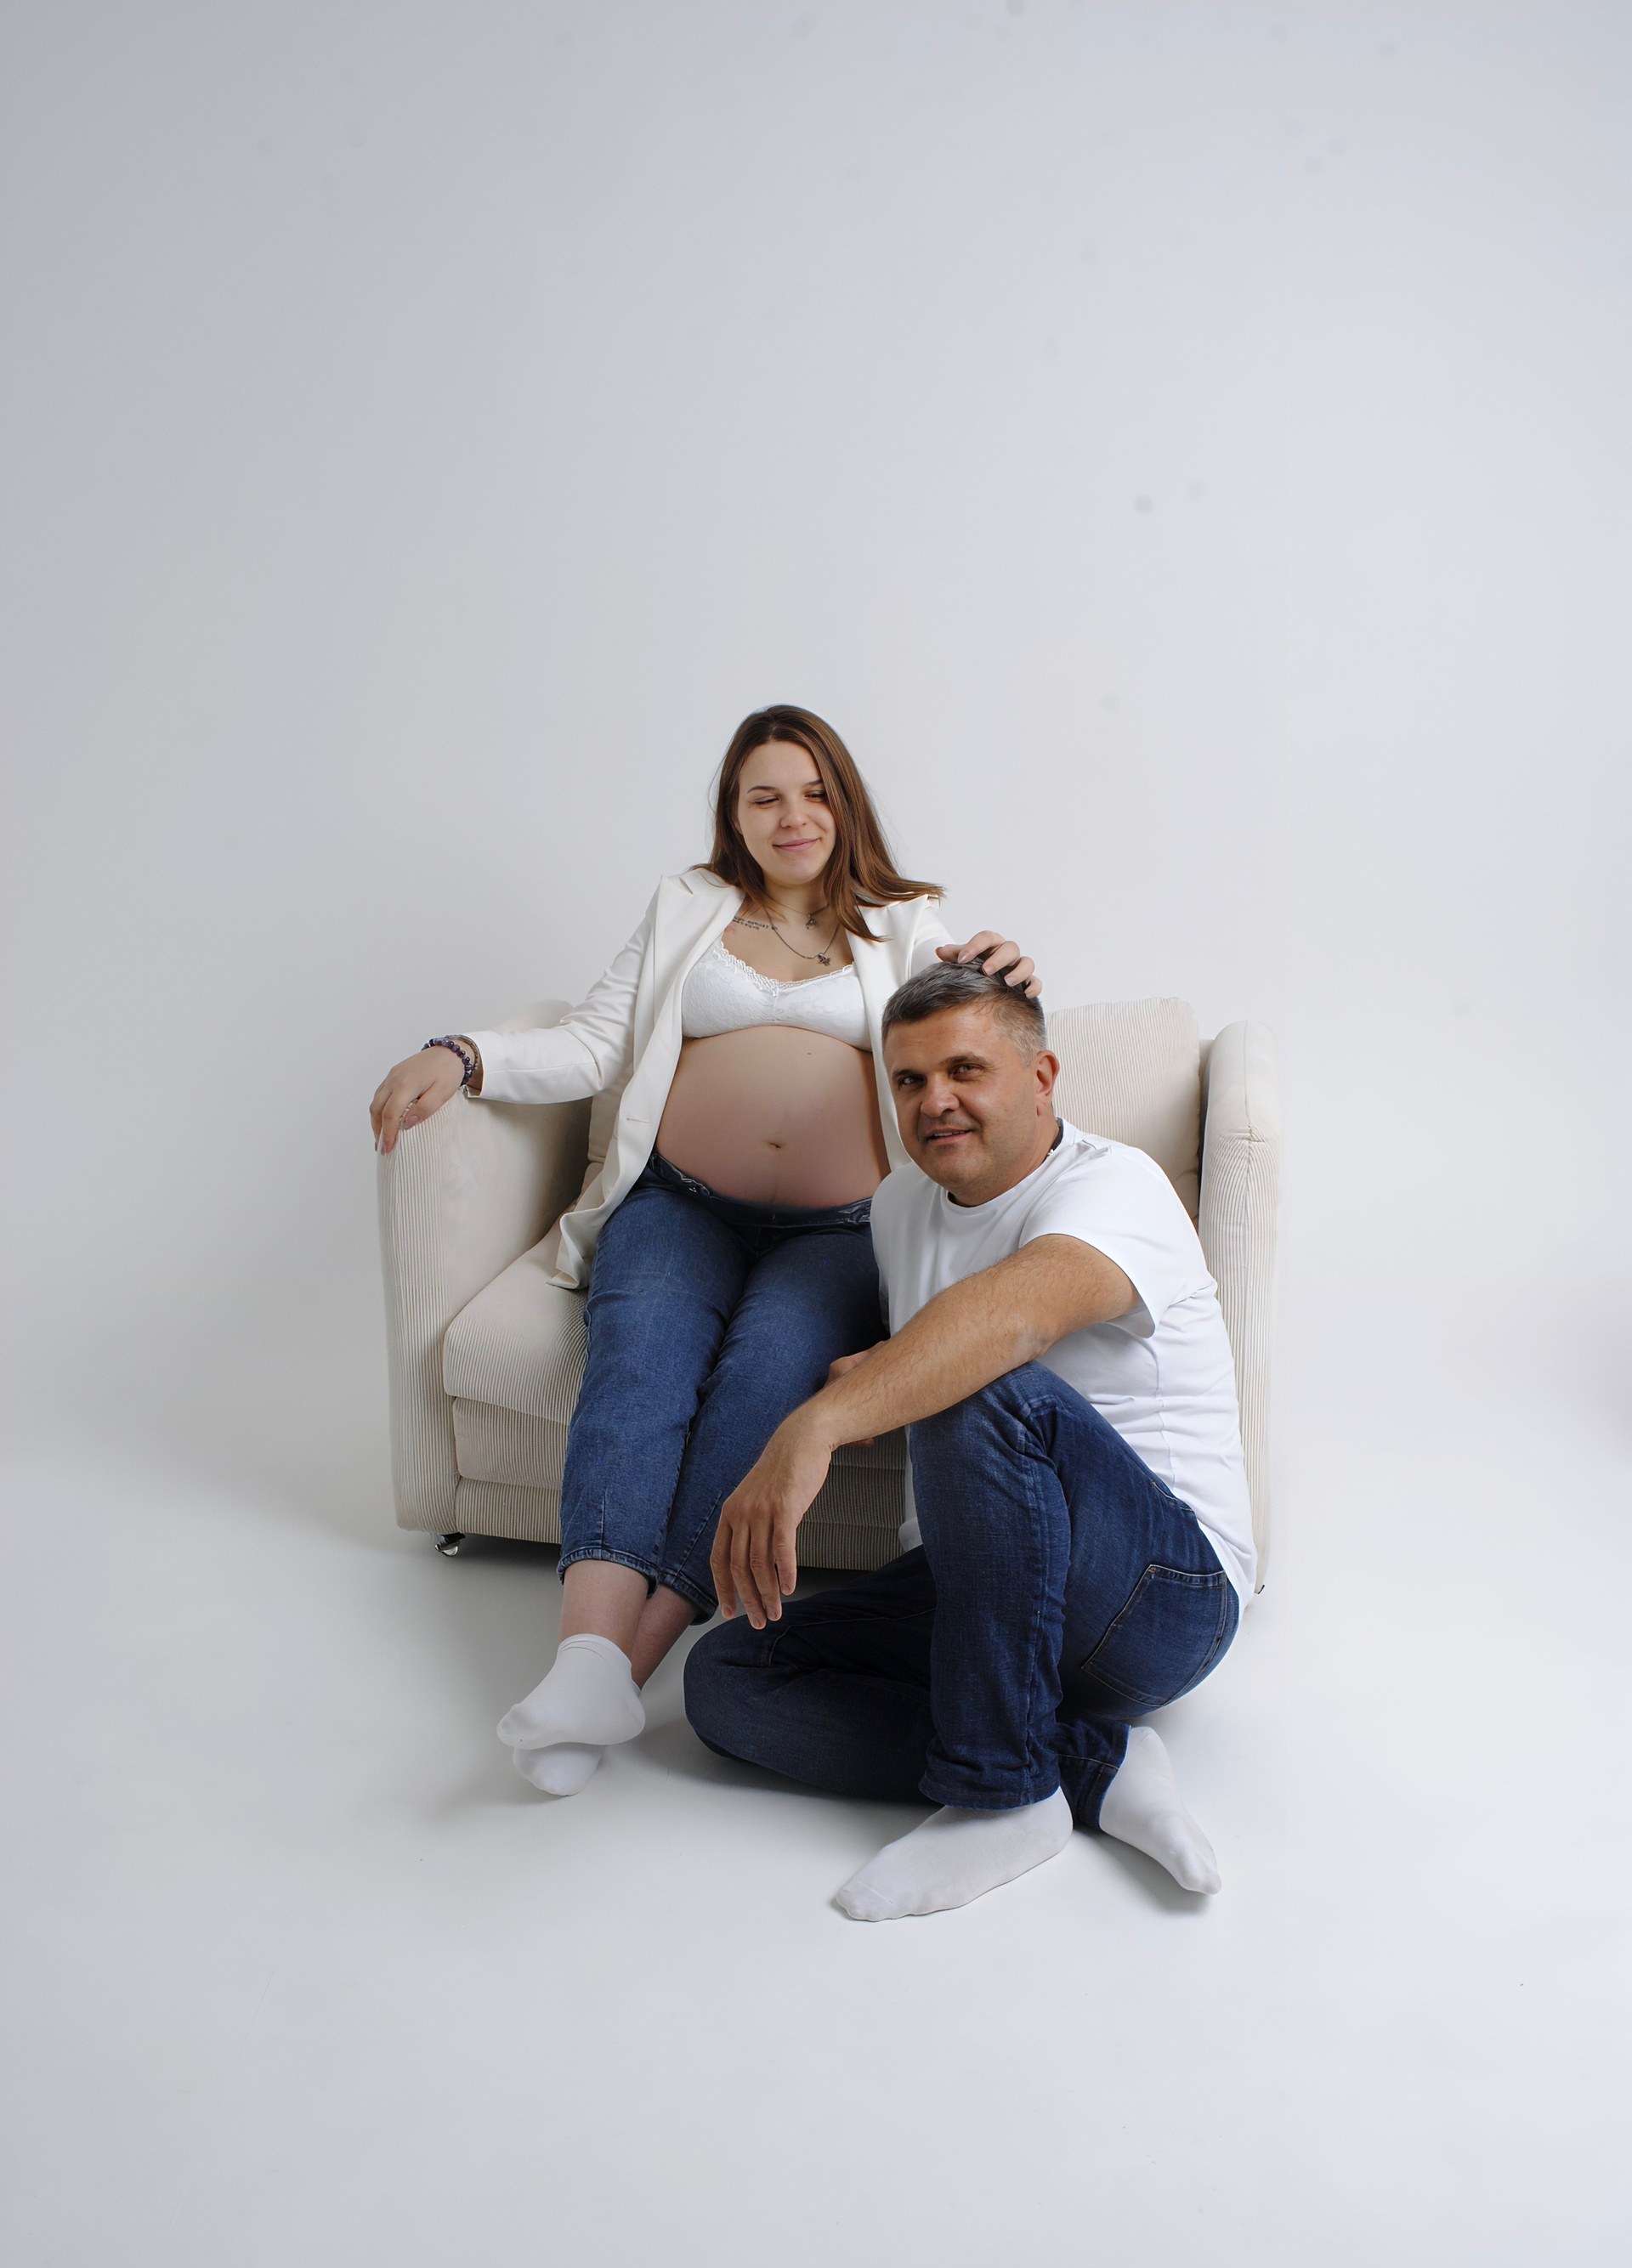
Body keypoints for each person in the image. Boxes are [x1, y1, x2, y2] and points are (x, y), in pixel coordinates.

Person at [370, 705, 1041, 1795]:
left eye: (813, 792)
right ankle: (584, 1655)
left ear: (845, 804)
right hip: (679, 1204)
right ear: (735, 812)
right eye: (764, 795)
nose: (792, 816)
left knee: (761, 1392)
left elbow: (970, 1022)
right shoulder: (688, 905)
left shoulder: (907, 924)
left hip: (839, 1230)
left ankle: (617, 1672)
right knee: (638, 1369)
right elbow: (594, 1041)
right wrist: (465, 1053)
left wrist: (1006, 973)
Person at [683, 957, 1255, 1918]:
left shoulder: (1119, 1184)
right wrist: (878, 1371)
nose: (935, 1101)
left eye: (965, 1070)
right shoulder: (902, 1203)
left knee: (980, 1379)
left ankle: (1004, 1796)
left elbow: (1012, 1321)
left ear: (1041, 1078)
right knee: (728, 1677)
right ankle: (1095, 1765)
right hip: (981, 1587)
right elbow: (938, 1335)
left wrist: (814, 1428)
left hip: (1162, 1595)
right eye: (909, 1079)